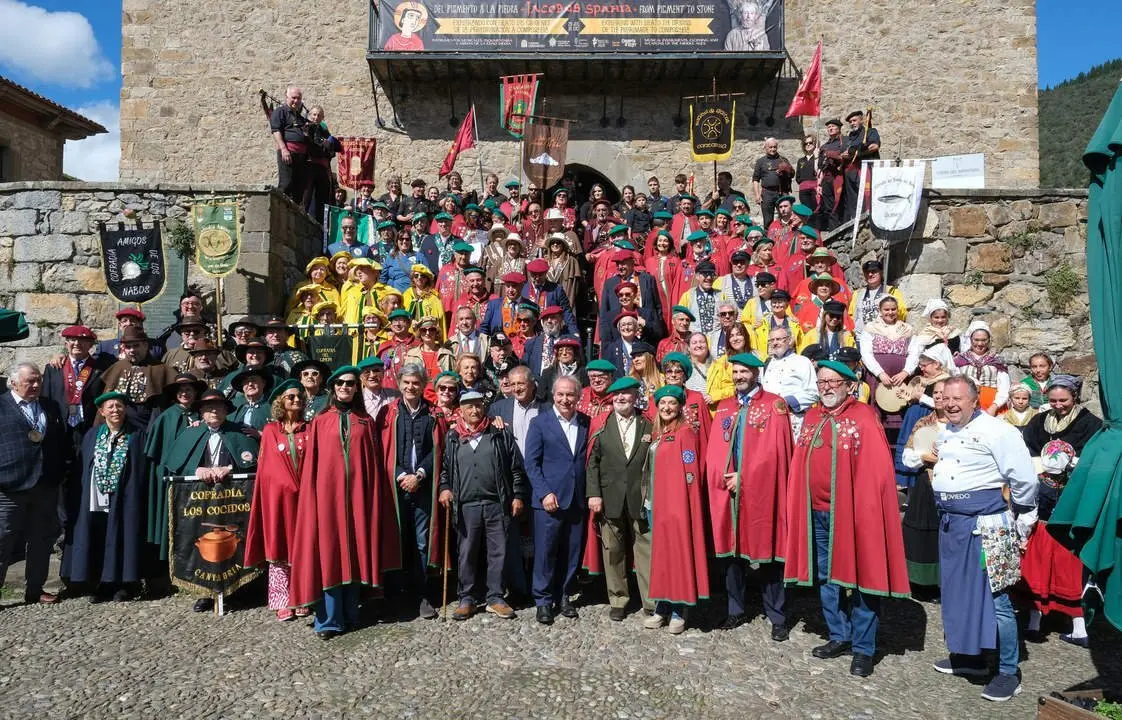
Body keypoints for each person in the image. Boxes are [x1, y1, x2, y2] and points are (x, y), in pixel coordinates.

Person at [784, 361, 911, 678]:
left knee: (862, 579)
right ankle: (839, 634)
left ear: (849, 385)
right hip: (817, 513)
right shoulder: (813, 416)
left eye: (833, 381)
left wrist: (865, 512)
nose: (826, 387)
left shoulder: (864, 418)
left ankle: (864, 649)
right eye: (822, 381)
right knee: (827, 576)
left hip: (853, 516)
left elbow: (877, 471)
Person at [930, 376, 1037, 702]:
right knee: (957, 594)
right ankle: (970, 658)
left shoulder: (999, 431)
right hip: (953, 526)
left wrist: (1023, 516)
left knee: (999, 601)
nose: (950, 404)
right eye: (946, 398)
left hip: (989, 525)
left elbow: (1024, 478)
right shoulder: (946, 430)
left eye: (958, 398)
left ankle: (1008, 672)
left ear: (975, 400)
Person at [289, 366, 401, 638]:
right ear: (332, 387)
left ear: (356, 387)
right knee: (329, 555)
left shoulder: (365, 421)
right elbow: (312, 468)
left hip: (358, 502)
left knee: (355, 554)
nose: (345, 387)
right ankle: (328, 620)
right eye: (340, 383)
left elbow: (373, 465)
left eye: (350, 383)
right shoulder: (321, 420)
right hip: (327, 503)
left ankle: (351, 614)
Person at [706, 353, 793, 638]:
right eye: (736, 372)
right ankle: (735, 609)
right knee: (732, 556)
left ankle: (777, 615)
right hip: (728, 492)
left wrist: (745, 476)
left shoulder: (774, 405)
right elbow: (716, 449)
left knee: (767, 553)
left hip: (762, 491)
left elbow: (775, 453)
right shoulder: (726, 406)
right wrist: (723, 475)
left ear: (756, 373)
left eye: (745, 372)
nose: (739, 376)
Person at [1020, 375, 1102, 648]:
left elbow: (1097, 458)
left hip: (1072, 503)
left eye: (1063, 400)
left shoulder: (1090, 424)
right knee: (1038, 558)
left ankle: (1079, 627)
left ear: (1075, 396)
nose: (1058, 405)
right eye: (1053, 400)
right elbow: (1026, 448)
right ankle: (1034, 620)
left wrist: (1075, 464)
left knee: (1071, 562)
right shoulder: (1039, 421)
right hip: (1042, 501)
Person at [162, 388, 260, 612]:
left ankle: (236, 589)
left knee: (235, 540)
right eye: (208, 408)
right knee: (201, 542)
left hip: (233, 500)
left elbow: (252, 462)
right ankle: (205, 592)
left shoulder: (239, 433)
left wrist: (230, 468)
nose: (214, 411)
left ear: (226, 410)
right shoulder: (190, 434)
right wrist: (197, 470)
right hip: (200, 502)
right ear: (201, 413)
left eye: (219, 407)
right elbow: (175, 463)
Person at [439, 389, 528, 620]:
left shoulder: (499, 433)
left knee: (498, 552)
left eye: (478, 405)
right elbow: (445, 470)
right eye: (469, 406)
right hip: (466, 505)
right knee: (466, 552)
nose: (474, 410)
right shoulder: (452, 437)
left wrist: (517, 495)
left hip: (496, 503)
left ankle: (496, 597)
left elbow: (515, 468)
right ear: (461, 410)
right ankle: (467, 598)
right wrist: (444, 488)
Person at [61, 391, 147, 602]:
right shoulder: (93, 435)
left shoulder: (136, 435)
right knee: (99, 536)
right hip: (96, 497)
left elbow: (141, 468)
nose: (115, 410)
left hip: (125, 497)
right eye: (110, 407)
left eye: (119, 406)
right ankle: (101, 584)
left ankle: (124, 584)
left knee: (123, 536)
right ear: (102, 411)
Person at [378, 363, 443, 620]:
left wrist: (419, 475)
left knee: (422, 541)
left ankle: (422, 593)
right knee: (397, 537)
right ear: (399, 383)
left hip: (423, 487)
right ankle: (395, 593)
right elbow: (384, 450)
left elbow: (436, 450)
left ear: (423, 384)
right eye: (406, 382)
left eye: (415, 382)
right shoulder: (388, 413)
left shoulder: (433, 414)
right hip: (396, 486)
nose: (410, 387)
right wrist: (401, 475)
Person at [0, 363, 68, 605]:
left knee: (41, 540)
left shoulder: (50, 406)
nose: (37, 385)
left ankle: (35, 589)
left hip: (45, 484)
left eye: (38, 380)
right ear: (14, 383)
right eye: (30, 381)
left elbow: (60, 441)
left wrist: (60, 470)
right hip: (9, 486)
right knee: (3, 539)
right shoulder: (1, 406)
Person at [586, 377, 654, 621]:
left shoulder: (649, 424)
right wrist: (594, 493)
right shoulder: (602, 424)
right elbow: (592, 462)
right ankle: (618, 599)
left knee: (645, 551)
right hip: (609, 496)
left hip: (642, 497)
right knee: (613, 551)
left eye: (626, 394)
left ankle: (650, 600)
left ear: (636, 397)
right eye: (616, 395)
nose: (620, 398)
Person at [524, 376, 590, 625]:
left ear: (578, 397)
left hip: (576, 499)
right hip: (548, 500)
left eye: (570, 395)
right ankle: (543, 600)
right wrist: (544, 493)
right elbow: (531, 463)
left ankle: (564, 595)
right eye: (561, 394)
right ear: (553, 395)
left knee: (571, 551)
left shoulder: (585, 422)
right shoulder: (540, 422)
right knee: (545, 552)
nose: (565, 399)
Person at [643, 385, 708, 634]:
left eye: (672, 403)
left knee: (677, 557)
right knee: (660, 559)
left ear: (680, 406)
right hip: (655, 504)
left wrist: (686, 507)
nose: (667, 408)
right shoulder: (658, 433)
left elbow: (691, 473)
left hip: (675, 507)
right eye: (662, 404)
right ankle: (661, 607)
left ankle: (680, 610)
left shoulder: (685, 433)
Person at [242, 380, 308, 621]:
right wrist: (288, 485)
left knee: (303, 547)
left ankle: (302, 595)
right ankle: (282, 599)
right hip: (279, 499)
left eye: (300, 397)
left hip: (305, 498)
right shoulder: (271, 430)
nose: (296, 400)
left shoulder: (309, 429)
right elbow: (268, 467)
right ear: (281, 400)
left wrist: (305, 487)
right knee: (280, 545)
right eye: (291, 397)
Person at [143, 373, 204, 571]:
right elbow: (157, 453)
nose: (185, 393)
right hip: (171, 478)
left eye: (189, 389)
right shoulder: (166, 418)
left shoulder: (203, 415)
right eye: (181, 390)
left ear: (195, 392)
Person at [898, 378, 948, 594]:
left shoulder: (962, 425)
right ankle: (920, 581)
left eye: (942, 393)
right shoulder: (923, 423)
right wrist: (924, 457)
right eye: (935, 392)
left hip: (952, 487)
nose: (937, 396)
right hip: (925, 484)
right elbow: (907, 455)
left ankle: (945, 581)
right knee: (922, 534)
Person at [860, 295, 916, 437]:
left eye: (893, 309)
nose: (890, 312)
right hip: (877, 377)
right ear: (880, 310)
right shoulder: (871, 328)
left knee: (900, 407)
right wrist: (880, 373)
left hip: (900, 376)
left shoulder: (907, 329)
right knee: (878, 413)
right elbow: (866, 353)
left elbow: (914, 353)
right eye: (886, 309)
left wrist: (906, 372)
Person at [93, 326, 170, 430]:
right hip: (119, 428)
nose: (132, 350)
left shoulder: (161, 370)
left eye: (136, 346)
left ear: (145, 345)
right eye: (128, 347)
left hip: (147, 428)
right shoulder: (117, 368)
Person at [760, 326, 818, 437]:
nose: (775, 343)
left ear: (790, 340)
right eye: (772, 340)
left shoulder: (802, 362)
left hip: (794, 420)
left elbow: (814, 392)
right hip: (770, 420)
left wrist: (788, 402)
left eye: (779, 339)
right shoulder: (766, 364)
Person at [953, 320, 1011, 415]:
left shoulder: (997, 360)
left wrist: (995, 406)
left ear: (989, 340)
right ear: (970, 339)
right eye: (976, 340)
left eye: (984, 340)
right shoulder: (960, 360)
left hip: (994, 406)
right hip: (966, 405)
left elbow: (1004, 387)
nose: (980, 344)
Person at [840, 110, 881, 222]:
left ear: (861, 120)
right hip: (851, 172)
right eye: (850, 122)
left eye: (854, 120)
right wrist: (845, 155)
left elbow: (874, 146)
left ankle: (869, 221)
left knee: (866, 197)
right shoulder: (850, 137)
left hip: (865, 169)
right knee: (853, 199)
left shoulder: (871, 132)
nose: (852, 123)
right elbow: (846, 152)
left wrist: (858, 153)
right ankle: (855, 222)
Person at [270, 87, 309, 205]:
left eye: (299, 98)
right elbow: (276, 131)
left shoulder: (300, 118)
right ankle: (280, 211)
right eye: (293, 98)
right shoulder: (280, 111)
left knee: (299, 189)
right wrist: (283, 149)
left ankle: (293, 218)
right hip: (288, 152)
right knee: (286, 184)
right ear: (287, 97)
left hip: (301, 156)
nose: (296, 101)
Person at [848, 259, 906, 337]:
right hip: (861, 338)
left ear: (881, 273)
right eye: (867, 272)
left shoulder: (891, 291)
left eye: (874, 271)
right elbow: (851, 316)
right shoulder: (857, 294)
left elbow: (902, 313)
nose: (870, 274)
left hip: (884, 338)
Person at [705, 322, 755, 406]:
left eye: (739, 334)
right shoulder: (722, 362)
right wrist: (716, 396)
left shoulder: (756, 357)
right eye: (731, 336)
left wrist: (717, 395)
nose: (735, 339)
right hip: (729, 405)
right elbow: (715, 390)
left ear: (745, 336)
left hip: (753, 402)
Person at [753, 138, 793, 229]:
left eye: (775, 147)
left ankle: (785, 237)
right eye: (770, 147)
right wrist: (757, 195)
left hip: (782, 192)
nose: (773, 149)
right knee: (768, 220)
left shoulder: (783, 160)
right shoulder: (760, 162)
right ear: (766, 148)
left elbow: (792, 174)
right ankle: (769, 240)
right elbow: (755, 179)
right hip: (767, 193)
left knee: (785, 217)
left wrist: (787, 170)